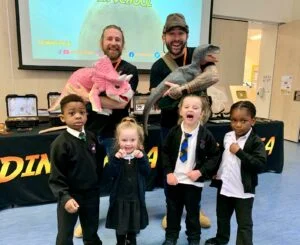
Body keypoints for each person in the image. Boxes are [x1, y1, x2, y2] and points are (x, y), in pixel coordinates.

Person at [150, 13, 218, 229]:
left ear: (187, 35)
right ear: (164, 37)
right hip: (170, 126)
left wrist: (185, 89)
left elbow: (213, 75)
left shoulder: (200, 54)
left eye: (181, 33)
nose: (176, 38)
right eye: (172, 34)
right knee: (171, 169)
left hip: (199, 125)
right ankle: (172, 211)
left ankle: (195, 209)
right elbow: (158, 103)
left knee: (196, 166)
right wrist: (175, 99)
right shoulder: (158, 67)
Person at [71, 24, 139, 238]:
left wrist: (88, 97)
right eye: (109, 39)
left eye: (117, 39)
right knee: (88, 179)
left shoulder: (129, 70)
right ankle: (87, 220)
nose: (113, 43)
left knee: (118, 179)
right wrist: (92, 99)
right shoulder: (94, 69)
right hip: (90, 132)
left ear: (123, 44)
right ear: (102, 43)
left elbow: (120, 103)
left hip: (116, 136)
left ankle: (118, 217)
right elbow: (80, 92)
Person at [205, 101, 267, 245]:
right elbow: (221, 156)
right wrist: (215, 172)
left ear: (253, 121)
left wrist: (239, 152)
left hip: (243, 190)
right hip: (225, 186)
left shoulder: (256, 142)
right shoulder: (228, 136)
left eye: (243, 121)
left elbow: (259, 165)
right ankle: (221, 239)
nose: (238, 125)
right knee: (222, 216)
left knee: (244, 223)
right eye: (234, 120)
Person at [161, 94, 220, 245]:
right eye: (186, 107)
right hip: (175, 181)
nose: (191, 110)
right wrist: (168, 172)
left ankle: (194, 239)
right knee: (173, 211)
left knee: (193, 213)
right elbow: (165, 153)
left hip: (193, 183)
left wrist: (200, 172)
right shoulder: (174, 132)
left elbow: (214, 156)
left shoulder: (206, 135)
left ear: (202, 113)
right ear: (180, 111)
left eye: (195, 108)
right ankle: (171, 237)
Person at [49, 94, 106, 245]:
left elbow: (99, 161)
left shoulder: (91, 137)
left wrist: (96, 184)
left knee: (91, 232)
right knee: (65, 236)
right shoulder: (60, 144)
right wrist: (65, 197)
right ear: (62, 118)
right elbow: (56, 177)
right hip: (70, 197)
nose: (78, 116)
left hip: (91, 195)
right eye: (72, 113)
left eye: (82, 112)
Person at [105, 117, 151, 245]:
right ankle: (120, 242)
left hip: (135, 199)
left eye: (132, 140)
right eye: (124, 140)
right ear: (118, 141)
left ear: (138, 141)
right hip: (120, 199)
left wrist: (142, 159)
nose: (128, 143)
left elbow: (147, 173)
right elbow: (109, 175)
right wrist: (115, 160)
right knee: (120, 228)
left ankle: (131, 241)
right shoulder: (115, 156)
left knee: (133, 226)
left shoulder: (141, 155)